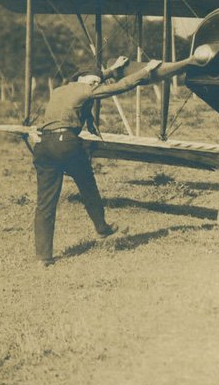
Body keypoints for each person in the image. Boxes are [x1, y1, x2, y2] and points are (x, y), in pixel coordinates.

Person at [29, 56, 161, 266]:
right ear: (82, 79)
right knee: (88, 187)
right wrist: (147, 70)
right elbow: (120, 86)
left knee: (45, 202)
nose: (95, 87)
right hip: (67, 144)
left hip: (43, 147)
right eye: (93, 83)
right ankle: (101, 227)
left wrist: (112, 69)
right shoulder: (85, 90)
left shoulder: (60, 90)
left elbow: (93, 78)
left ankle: (43, 256)